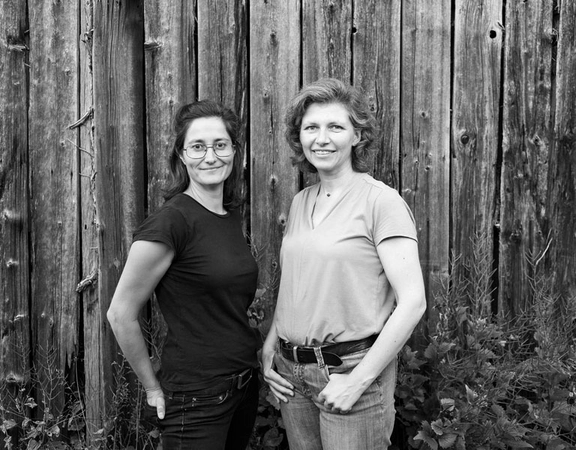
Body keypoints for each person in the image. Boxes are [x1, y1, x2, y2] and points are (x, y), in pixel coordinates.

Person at [261, 78, 427, 450]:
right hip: (292, 376)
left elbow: (413, 301)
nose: (322, 138)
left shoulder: (380, 202)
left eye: (336, 127)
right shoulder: (302, 201)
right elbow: (297, 284)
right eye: (311, 128)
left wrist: (358, 380)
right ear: (299, 137)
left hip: (350, 371)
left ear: (357, 136)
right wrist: (271, 345)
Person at [107, 100, 260, 450]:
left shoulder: (227, 214)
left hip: (242, 386)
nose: (210, 156)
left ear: (235, 151)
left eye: (220, 145)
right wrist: (151, 388)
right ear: (181, 155)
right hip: (196, 398)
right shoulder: (171, 222)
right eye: (198, 147)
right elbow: (120, 313)